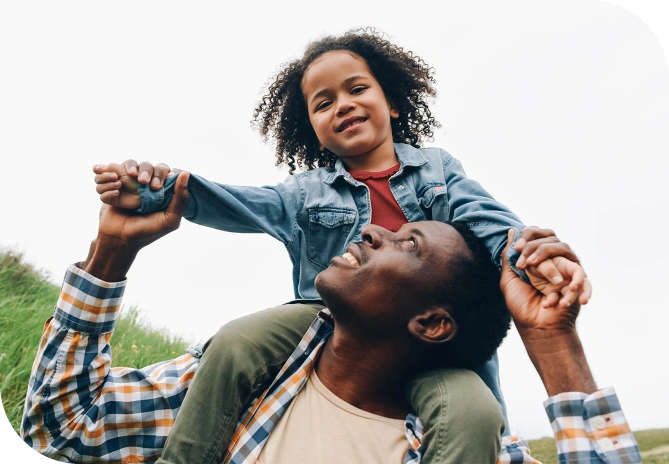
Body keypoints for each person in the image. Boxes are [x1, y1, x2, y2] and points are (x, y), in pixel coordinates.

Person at [92, 28, 591, 463]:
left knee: (475, 409)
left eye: (357, 89)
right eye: (324, 102)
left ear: (391, 102)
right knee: (240, 339)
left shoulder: (437, 172)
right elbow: (233, 202)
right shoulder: (305, 193)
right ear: (313, 129)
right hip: (324, 325)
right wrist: (156, 189)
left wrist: (531, 258)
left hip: (438, 347)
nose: (343, 104)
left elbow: (491, 223)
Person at [21, 175, 639, 463]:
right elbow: (62, 427)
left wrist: (553, 340)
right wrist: (112, 253)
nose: (373, 229)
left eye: (410, 245)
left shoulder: (467, 447)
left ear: (431, 323)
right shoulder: (239, 384)